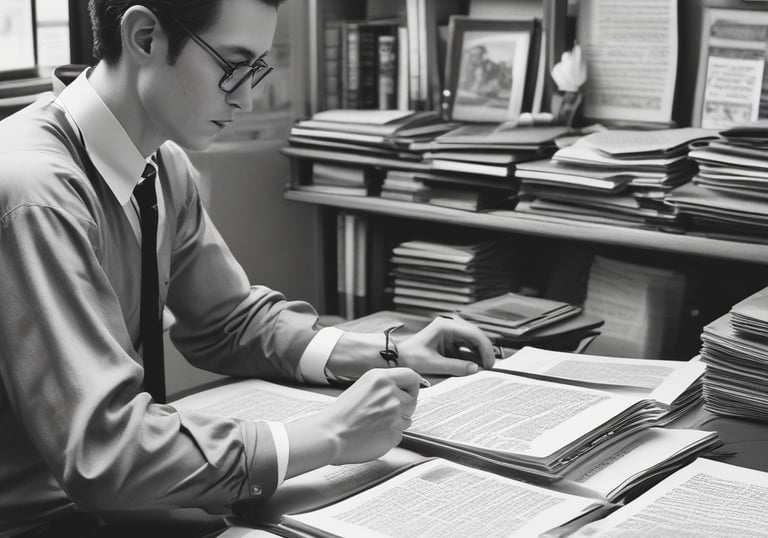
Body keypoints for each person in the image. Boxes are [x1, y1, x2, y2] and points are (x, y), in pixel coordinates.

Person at [0, 0, 495, 536]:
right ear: (145, 37)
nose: (247, 96)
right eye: (232, 64)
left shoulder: (162, 165)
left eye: (256, 68)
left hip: (132, 503)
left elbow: (228, 321)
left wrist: (390, 348)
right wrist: (330, 433)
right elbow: (104, 454)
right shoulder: (37, 193)